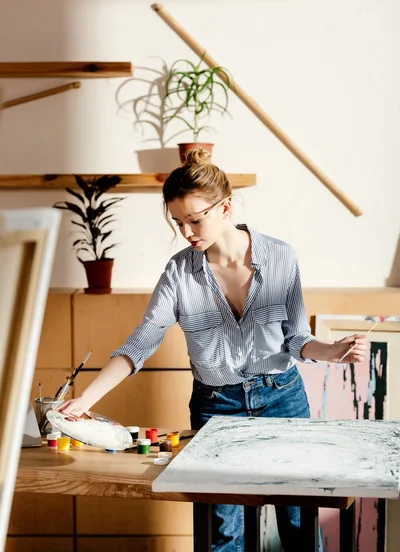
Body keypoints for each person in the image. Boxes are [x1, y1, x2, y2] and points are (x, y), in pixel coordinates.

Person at [58, 149, 369, 552]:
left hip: (283, 401)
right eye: (178, 222)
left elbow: (294, 338)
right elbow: (142, 340)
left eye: (195, 219)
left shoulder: (280, 257)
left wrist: (331, 351)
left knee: (299, 526)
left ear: (225, 208)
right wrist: (87, 398)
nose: (187, 232)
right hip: (216, 407)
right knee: (223, 534)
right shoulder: (178, 272)